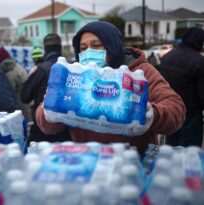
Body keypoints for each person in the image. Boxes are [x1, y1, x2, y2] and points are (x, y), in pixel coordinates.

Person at [35, 22, 186, 154]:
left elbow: (175, 108)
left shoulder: (139, 71)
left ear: (112, 45)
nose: (89, 52)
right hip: (90, 161)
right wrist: (50, 115)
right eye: (83, 48)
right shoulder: (75, 75)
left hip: (134, 161)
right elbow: (44, 121)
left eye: (96, 45)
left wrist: (151, 114)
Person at [21, 33, 71, 143]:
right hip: (68, 131)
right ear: (60, 48)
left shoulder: (40, 70)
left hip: (42, 131)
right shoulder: (73, 68)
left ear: (45, 49)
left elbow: (24, 97)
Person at [160, 27, 204, 147]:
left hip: (170, 111)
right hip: (191, 115)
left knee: (170, 151)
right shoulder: (199, 61)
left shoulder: (167, 57)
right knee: (188, 155)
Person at [0, 46, 32, 121]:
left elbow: (10, 91)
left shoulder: (10, 72)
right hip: (25, 101)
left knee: (24, 122)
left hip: (21, 103)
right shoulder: (15, 66)